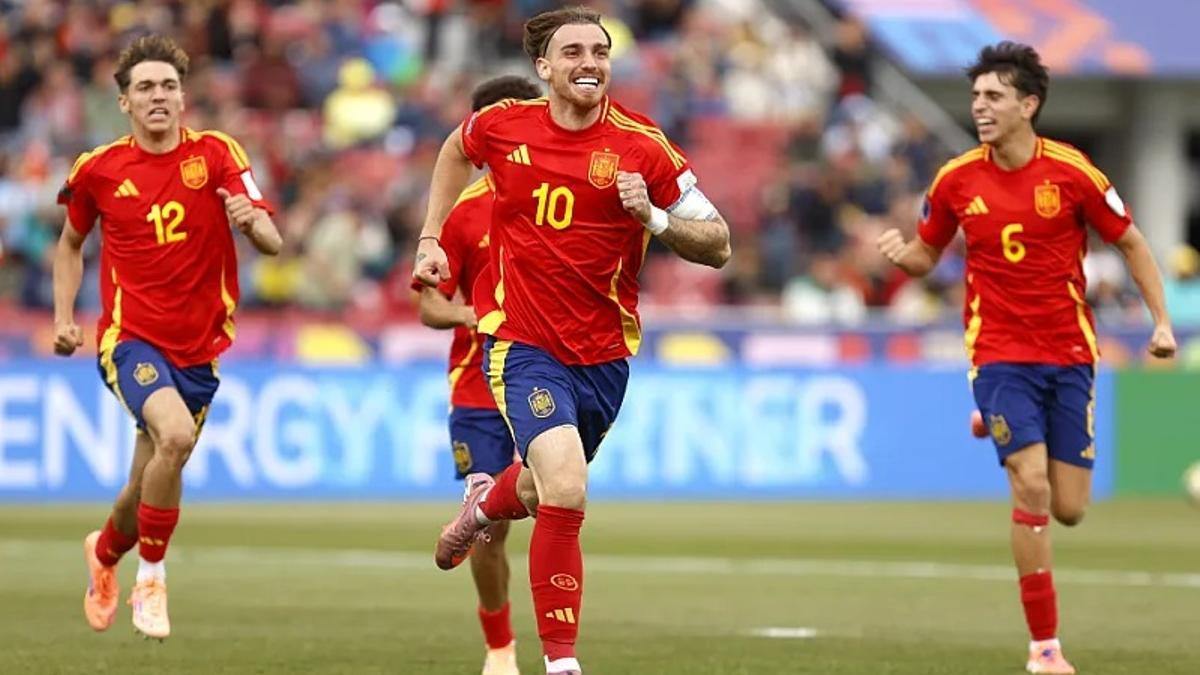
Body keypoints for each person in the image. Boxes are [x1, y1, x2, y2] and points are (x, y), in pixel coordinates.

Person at [412, 7, 731, 674]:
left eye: (600, 50)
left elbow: (720, 244)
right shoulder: (504, 128)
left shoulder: (645, 146)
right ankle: (561, 662)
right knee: (565, 487)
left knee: (536, 488)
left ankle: (480, 509)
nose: (589, 61)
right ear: (544, 68)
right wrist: (432, 236)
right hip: (522, 346)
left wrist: (657, 215)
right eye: (574, 51)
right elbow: (452, 148)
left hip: (606, 356)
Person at [877, 42, 1175, 675]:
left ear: (1028, 104)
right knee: (1032, 485)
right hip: (999, 352)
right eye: (977, 96)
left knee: (1070, 508)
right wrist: (902, 256)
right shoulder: (956, 179)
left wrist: (1161, 322)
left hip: (1070, 352)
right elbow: (927, 257)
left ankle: (995, 422)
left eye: (993, 97)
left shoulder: (1074, 174)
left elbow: (1133, 243)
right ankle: (1045, 648)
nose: (979, 107)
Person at [53, 35, 281, 641]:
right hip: (129, 338)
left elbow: (273, 242)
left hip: (201, 348)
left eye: (169, 86)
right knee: (175, 436)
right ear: (125, 103)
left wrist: (251, 221)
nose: (159, 96)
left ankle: (104, 552)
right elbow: (70, 245)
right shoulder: (99, 169)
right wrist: (62, 316)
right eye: (146, 88)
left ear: (183, 96)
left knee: (146, 479)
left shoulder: (218, 153)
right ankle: (149, 579)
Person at [411, 74, 544, 675]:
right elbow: (429, 305)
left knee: (548, 498)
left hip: (545, 374)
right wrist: (476, 312)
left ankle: (555, 641)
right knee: (489, 535)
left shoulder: (557, 195)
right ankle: (501, 647)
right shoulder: (462, 214)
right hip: (477, 386)